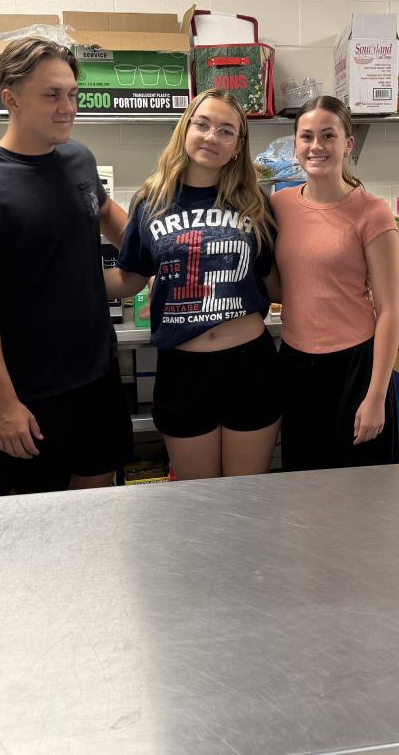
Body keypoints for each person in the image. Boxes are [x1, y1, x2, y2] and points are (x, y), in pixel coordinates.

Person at [0, 36, 132, 495]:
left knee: (98, 499)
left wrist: (157, 251)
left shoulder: (78, 158)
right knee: (32, 521)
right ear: (11, 99)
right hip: (30, 391)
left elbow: (104, 211)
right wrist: (4, 404)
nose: (68, 108)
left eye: (72, 94)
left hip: (96, 375)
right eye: (52, 95)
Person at [106, 90, 280, 480]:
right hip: (183, 370)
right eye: (202, 124)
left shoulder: (255, 202)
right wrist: (62, 283)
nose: (211, 137)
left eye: (226, 131)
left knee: (246, 495)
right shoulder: (151, 201)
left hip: (249, 366)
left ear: (238, 146)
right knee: (198, 498)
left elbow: (274, 283)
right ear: (185, 129)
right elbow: (131, 277)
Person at [271, 95, 399, 471]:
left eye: (328, 135)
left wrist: (375, 396)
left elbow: (390, 312)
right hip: (296, 364)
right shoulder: (279, 205)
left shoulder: (372, 212)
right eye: (306, 136)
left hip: (356, 367)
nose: (317, 146)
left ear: (348, 144)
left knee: (363, 489)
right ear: (295, 145)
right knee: (304, 485)